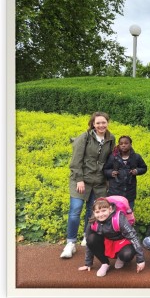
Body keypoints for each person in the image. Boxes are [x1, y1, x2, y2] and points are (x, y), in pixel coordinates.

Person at [60, 111, 115, 259]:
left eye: (104, 122)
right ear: (93, 124)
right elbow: (75, 161)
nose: (101, 125)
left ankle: (86, 235)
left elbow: (110, 161)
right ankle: (70, 243)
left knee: (92, 212)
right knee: (75, 209)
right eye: (98, 123)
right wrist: (79, 179)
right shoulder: (84, 138)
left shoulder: (111, 139)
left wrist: (108, 180)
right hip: (81, 180)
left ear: (107, 123)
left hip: (98, 182)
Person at [78, 197, 146, 277]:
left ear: (110, 209)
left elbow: (133, 237)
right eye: (97, 212)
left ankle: (120, 258)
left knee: (127, 254)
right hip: (107, 241)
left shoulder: (119, 218)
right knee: (91, 238)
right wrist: (88, 263)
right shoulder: (93, 221)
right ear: (94, 212)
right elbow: (89, 243)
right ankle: (105, 263)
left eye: (104, 210)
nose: (101, 214)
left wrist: (140, 260)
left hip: (122, 241)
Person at [103, 135, 148, 210]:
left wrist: (137, 171)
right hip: (115, 191)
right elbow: (105, 170)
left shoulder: (136, 157)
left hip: (129, 192)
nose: (123, 145)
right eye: (121, 144)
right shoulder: (113, 157)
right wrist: (111, 173)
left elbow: (144, 168)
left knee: (128, 213)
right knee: (113, 213)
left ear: (131, 144)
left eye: (126, 143)